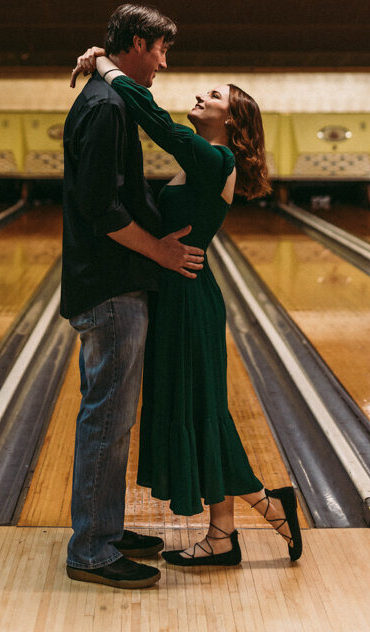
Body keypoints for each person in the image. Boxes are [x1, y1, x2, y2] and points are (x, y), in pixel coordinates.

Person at [70, 45, 303, 568]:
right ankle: (223, 535)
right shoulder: (206, 160)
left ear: (233, 120)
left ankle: (267, 505)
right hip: (177, 297)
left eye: (215, 95)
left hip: (191, 302)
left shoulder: (217, 158)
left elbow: (156, 121)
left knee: (200, 411)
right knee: (197, 411)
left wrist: (105, 65)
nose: (201, 95)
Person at [62, 4, 205, 589]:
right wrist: (162, 252)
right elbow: (102, 210)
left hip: (108, 282)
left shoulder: (106, 97)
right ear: (139, 43)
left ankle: (105, 529)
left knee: (109, 417)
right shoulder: (107, 108)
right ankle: (92, 550)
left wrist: (97, 61)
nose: (164, 64)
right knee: (106, 420)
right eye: (162, 51)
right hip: (112, 284)